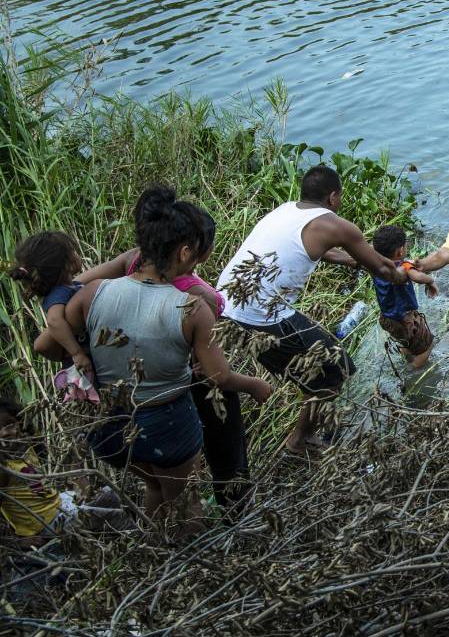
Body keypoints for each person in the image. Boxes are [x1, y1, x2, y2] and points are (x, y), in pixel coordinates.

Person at [65, 193, 272, 525]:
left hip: (107, 429)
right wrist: (255, 385)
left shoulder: (93, 292)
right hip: (165, 428)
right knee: (185, 506)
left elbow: (50, 343)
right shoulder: (192, 308)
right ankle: (191, 564)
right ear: (184, 251)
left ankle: (152, 551)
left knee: (158, 488)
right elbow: (218, 376)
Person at [215, 165, 405, 455]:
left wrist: (353, 261)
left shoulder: (286, 210)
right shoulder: (335, 224)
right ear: (333, 197)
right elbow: (381, 267)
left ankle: (310, 411)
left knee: (317, 361)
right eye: (340, 197)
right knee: (337, 369)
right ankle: (299, 440)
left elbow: (323, 250)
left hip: (224, 307)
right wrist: (408, 273)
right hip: (261, 317)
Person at [9, 232, 94, 379]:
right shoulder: (60, 293)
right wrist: (76, 353)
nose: (77, 253)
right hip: (83, 364)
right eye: (72, 251)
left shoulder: (72, 287)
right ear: (66, 264)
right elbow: (54, 321)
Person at [0, 398, 75, 545]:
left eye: (9, 424)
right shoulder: (3, 469)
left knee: (108, 494)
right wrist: (15, 542)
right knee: (108, 513)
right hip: (45, 525)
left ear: (21, 424)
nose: (4, 433)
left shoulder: (27, 445)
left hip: (59, 503)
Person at [371, 225, 438, 368]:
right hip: (405, 319)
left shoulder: (374, 265)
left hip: (387, 319)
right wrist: (430, 281)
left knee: (406, 340)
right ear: (401, 250)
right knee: (428, 345)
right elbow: (417, 277)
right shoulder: (405, 266)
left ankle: (406, 354)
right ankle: (412, 371)